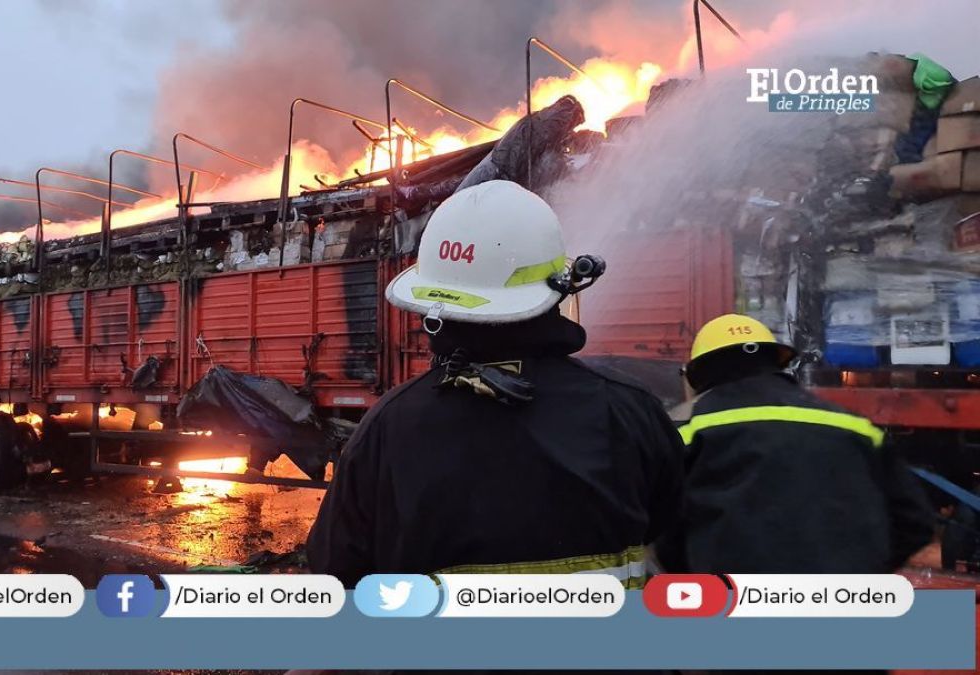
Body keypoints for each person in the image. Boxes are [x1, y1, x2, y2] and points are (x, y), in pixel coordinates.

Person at [306, 180, 685, 588]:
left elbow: (334, 574)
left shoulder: (388, 427)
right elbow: (684, 545)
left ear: (435, 312)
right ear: (559, 291)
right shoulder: (629, 411)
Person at [655, 313, 934, 574]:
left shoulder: (690, 436)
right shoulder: (856, 429)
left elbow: (667, 535)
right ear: (776, 362)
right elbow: (915, 522)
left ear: (698, 374)